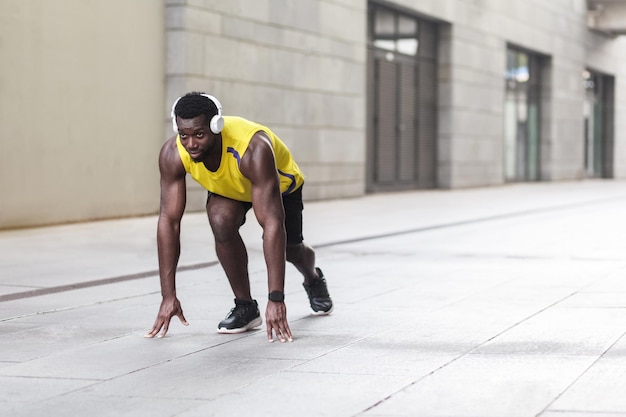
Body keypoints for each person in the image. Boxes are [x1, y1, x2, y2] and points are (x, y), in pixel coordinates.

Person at [145, 92, 333, 343]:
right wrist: (168, 295)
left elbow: (272, 224)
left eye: (199, 135)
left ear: (216, 127)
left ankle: (313, 278)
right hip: (230, 188)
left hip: (279, 185)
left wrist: (276, 298)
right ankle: (245, 306)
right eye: (184, 135)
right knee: (220, 221)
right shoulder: (173, 153)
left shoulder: (253, 149)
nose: (191, 144)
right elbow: (169, 221)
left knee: (290, 249)